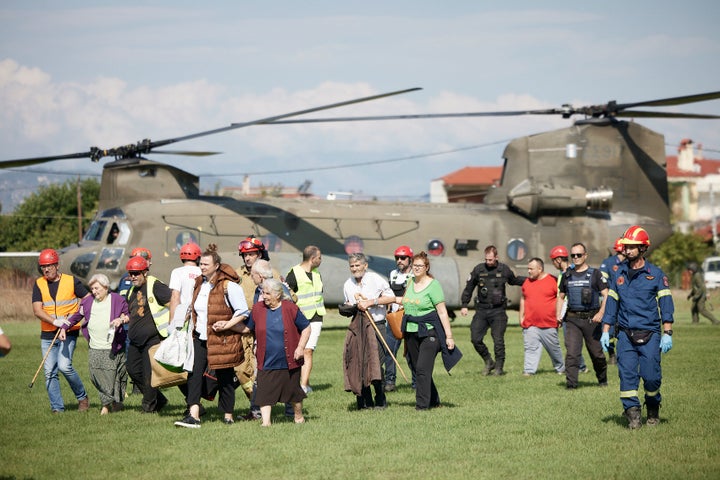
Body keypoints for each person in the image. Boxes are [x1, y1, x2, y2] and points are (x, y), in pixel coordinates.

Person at [601, 225, 675, 429]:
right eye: (625, 247)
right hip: (625, 334)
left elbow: (666, 305)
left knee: (651, 378)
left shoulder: (656, 274)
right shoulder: (619, 274)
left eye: (632, 247)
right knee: (627, 376)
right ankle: (632, 414)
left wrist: (667, 332)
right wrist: (606, 331)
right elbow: (611, 304)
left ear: (643, 248)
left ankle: (652, 407)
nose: (627, 250)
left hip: (650, 334)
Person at [175, 244, 249, 428]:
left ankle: (228, 415)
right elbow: (198, 307)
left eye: (206, 264)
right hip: (200, 337)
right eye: (201, 263)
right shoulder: (199, 283)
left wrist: (227, 324)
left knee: (224, 377)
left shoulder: (228, 285)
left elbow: (243, 311)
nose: (202, 267)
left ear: (217, 265)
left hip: (222, 338)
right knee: (194, 374)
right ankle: (194, 414)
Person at [237, 278, 311, 426]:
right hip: (267, 359)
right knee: (264, 392)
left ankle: (298, 417)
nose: (264, 296)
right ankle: (266, 423)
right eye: (263, 293)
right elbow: (247, 328)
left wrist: (300, 347)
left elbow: (306, 328)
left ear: (278, 295)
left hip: (289, 359)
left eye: (267, 293)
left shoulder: (290, 308)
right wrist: (227, 326)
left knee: (293, 393)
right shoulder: (258, 309)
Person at [32, 248, 90, 413]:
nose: (46, 269)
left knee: (65, 366)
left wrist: (74, 316)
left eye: (50, 265)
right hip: (48, 334)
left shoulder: (72, 281)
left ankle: (82, 397)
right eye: (43, 266)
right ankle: (57, 408)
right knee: (50, 371)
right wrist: (55, 321)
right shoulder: (39, 284)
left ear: (57, 265)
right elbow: (37, 310)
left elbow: (87, 300)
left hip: (69, 333)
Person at [61, 273, 129, 415]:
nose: (94, 292)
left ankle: (110, 404)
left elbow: (127, 315)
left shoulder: (117, 299)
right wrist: (64, 328)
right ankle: (109, 401)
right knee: (95, 376)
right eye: (92, 289)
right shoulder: (87, 302)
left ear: (105, 287)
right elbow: (76, 316)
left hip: (113, 346)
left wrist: (120, 320)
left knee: (116, 377)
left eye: (97, 288)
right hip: (95, 346)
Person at [402, 251, 461, 410]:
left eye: (420, 266)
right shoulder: (410, 282)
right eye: (414, 265)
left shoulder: (433, 285)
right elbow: (406, 301)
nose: (416, 268)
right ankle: (434, 400)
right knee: (418, 368)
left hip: (430, 332)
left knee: (422, 369)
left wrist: (449, 336)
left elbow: (442, 312)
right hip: (411, 331)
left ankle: (422, 406)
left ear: (426, 267)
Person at [460, 245, 524, 376]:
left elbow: (514, 281)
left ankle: (499, 368)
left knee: (498, 340)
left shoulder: (504, 269)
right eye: (486, 259)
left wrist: (531, 280)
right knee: (475, 338)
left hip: (498, 311)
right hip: (482, 310)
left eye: (491, 259)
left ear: (496, 257)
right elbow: (469, 287)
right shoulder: (478, 269)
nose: (488, 262)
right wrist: (464, 304)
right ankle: (489, 361)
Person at [342, 253, 396, 410]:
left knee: (376, 363)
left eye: (358, 265)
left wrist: (371, 302)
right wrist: (348, 307)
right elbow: (348, 303)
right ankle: (365, 400)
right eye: (352, 266)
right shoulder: (348, 284)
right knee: (359, 363)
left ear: (365, 266)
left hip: (376, 324)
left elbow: (391, 298)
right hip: (358, 327)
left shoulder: (375, 279)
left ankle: (380, 397)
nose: (355, 269)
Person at [124, 254, 172, 413]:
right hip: (136, 341)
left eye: (136, 273)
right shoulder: (131, 290)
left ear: (145, 272)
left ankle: (148, 407)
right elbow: (134, 312)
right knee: (132, 369)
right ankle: (160, 399)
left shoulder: (155, 285)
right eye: (131, 273)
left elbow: (174, 302)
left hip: (154, 338)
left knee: (148, 374)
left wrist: (173, 327)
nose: (133, 277)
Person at [557, 243, 608, 390]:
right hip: (572, 320)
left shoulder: (595, 274)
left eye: (579, 255)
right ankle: (571, 385)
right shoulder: (566, 275)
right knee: (572, 353)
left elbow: (606, 295)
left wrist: (601, 313)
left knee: (597, 354)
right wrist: (558, 316)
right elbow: (561, 297)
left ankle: (602, 380)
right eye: (573, 255)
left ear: (585, 255)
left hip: (592, 319)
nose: (576, 258)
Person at [285, 245, 325, 393]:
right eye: (320, 258)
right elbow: (287, 295)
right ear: (313, 259)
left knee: (308, 350)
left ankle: (303, 384)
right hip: (299, 319)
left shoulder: (317, 274)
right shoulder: (294, 273)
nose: (321, 260)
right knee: (297, 350)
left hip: (316, 317)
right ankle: (293, 381)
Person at [519, 258, 565, 376]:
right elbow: (523, 298)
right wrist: (521, 317)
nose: (529, 271)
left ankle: (561, 369)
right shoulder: (527, 282)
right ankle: (529, 371)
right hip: (530, 323)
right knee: (530, 348)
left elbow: (561, 298)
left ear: (540, 269)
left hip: (548, 323)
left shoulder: (553, 281)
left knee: (554, 350)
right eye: (528, 268)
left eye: (531, 269)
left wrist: (559, 315)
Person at [550, 245, 588, 373]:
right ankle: (580, 366)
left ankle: (580, 367)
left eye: (553, 261)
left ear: (558, 260)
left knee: (571, 342)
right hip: (565, 311)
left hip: (570, 311)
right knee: (570, 342)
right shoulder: (564, 273)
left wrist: (561, 313)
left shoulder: (570, 272)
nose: (554, 264)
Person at [384, 245, 415, 392]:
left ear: (410, 259)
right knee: (389, 350)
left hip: (411, 318)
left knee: (412, 353)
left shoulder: (416, 275)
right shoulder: (392, 274)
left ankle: (417, 382)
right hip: (395, 318)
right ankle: (390, 381)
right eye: (397, 258)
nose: (400, 261)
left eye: (403, 258)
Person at [599, 238, 627, 364]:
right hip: (612, 300)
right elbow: (602, 283)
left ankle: (624, 354)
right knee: (609, 329)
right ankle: (611, 354)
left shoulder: (630, 263)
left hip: (626, 302)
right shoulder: (608, 263)